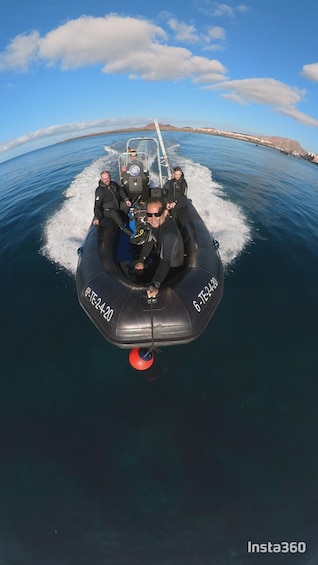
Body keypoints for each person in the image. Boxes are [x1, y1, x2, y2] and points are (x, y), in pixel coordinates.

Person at [134, 196, 184, 298]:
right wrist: (141, 260)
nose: (153, 219)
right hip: (159, 258)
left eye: (157, 214)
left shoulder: (169, 234)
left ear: (165, 213)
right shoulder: (155, 224)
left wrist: (155, 283)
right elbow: (150, 241)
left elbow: (165, 261)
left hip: (171, 271)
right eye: (149, 215)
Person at [93, 170, 132, 235]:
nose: (106, 180)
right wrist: (97, 217)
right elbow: (97, 206)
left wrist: (126, 199)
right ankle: (123, 228)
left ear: (110, 177)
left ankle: (124, 218)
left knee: (126, 205)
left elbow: (120, 190)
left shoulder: (113, 184)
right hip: (107, 210)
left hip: (117, 205)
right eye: (104, 179)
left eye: (108, 178)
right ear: (101, 179)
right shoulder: (99, 191)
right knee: (114, 213)